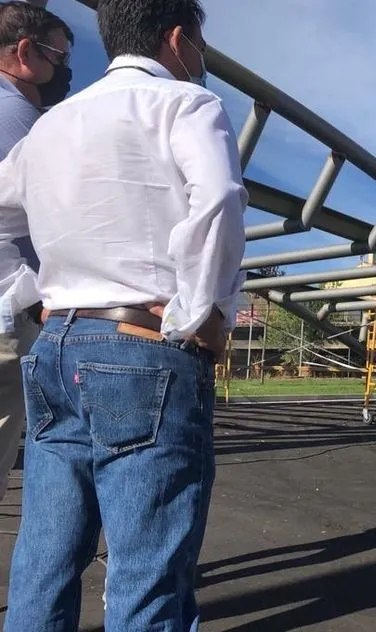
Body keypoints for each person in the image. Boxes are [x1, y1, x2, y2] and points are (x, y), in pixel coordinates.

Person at [0, 0, 248, 628]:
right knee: (148, 570)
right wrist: (198, 313)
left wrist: (30, 293)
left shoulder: (50, 125)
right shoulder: (187, 105)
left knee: (45, 558)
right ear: (177, 38)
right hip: (143, 344)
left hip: (56, 344)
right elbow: (216, 197)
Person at [0, 1, 71, 504]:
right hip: (8, 308)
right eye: (59, 57)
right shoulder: (17, 114)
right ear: (24, 52)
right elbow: (42, 216)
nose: (65, 70)